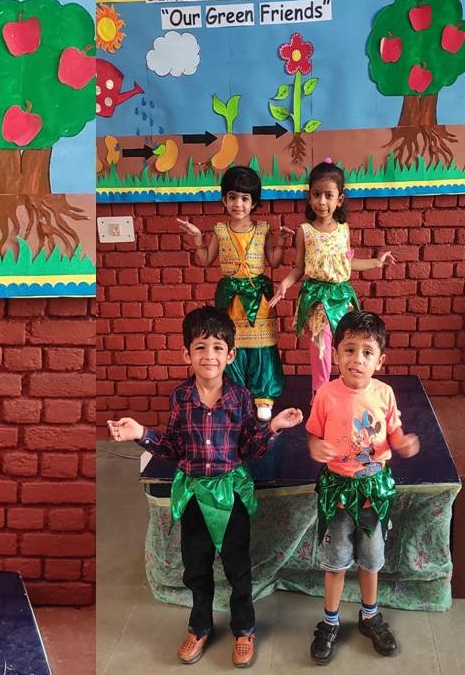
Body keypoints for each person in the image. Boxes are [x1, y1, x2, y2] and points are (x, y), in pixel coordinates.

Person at [109, 306, 302, 668]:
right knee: (196, 565)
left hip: (230, 495)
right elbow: (172, 448)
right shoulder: (180, 397)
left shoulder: (240, 397)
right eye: (200, 347)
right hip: (194, 494)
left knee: (237, 566)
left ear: (231, 355)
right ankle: (200, 626)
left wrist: (274, 427)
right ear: (187, 354)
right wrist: (141, 433)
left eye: (217, 347)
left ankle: (244, 628)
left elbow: (251, 448)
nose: (209, 355)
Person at [304, 310, 419, 665]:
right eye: (349, 350)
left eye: (367, 352)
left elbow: (393, 430)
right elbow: (313, 433)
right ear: (336, 354)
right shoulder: (325, 394)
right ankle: (330, 620)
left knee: (370, 561)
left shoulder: (385, 393)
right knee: (336, 563)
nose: (357, 359)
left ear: (380, 360)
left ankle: (370, 615)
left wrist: (401, 442)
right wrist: (315, 447)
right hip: (338, 492)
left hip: (373, 492)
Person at [268, 162, 394, 392]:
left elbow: (346, 263)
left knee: (347, 346)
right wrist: (284, 284)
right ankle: (320, 396)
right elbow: (299, 268)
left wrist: (376, 262)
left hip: (342, 298)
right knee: (321, 350)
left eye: (328, 195)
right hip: (317, 301)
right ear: (309, 197)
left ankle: (346, 392)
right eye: (316, 194)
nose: (322, 201)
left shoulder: (344, 229)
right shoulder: (304, 231)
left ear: (340, 199)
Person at [177, 166, 287, 420]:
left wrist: (281, 240)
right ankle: (235, 394)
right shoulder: (220, 230)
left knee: (261, 347)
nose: (239, 204)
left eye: (245, 198)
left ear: (254, 202)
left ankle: (263, 397)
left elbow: (274, 261)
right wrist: (198, 238)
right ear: (224, 200)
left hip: (257, 296)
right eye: (233, 197)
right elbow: (206, 260)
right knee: (231, 344)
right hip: (230, 298)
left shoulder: (263, 229)